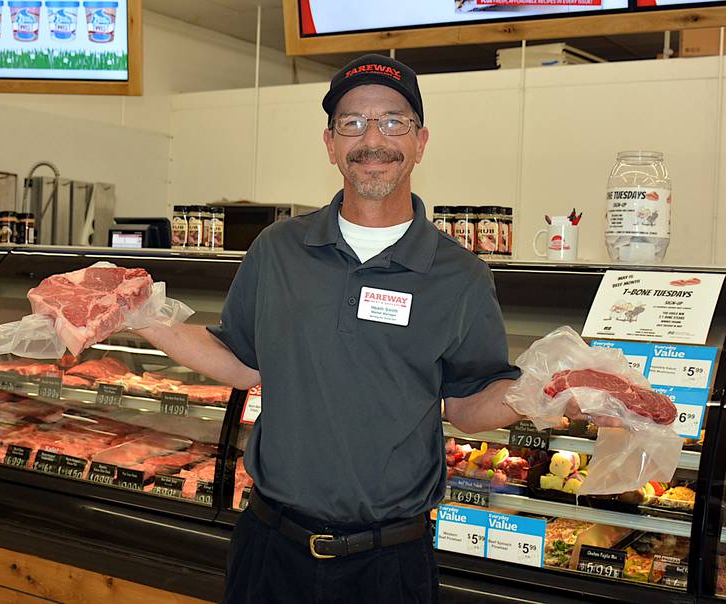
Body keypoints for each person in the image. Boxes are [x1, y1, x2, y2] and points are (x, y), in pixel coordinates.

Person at [136, 53, 585, 603]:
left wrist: (544, 393)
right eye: (352, 122)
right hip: (270, 549)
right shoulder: (277, 250)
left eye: (394, 121)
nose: (373, 139)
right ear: (330, 144)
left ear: (421, 142)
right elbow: (241, 359)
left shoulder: (461, 275)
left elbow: (466, 407)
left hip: (389, 564)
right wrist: (141, 318)